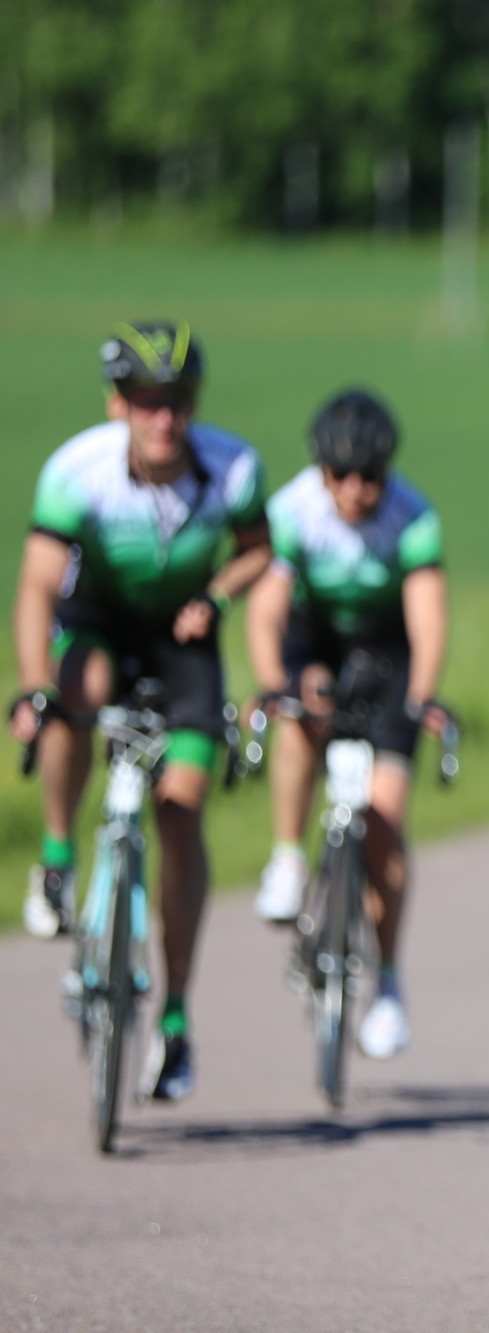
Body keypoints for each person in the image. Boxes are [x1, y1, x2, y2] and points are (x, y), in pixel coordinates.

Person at [9, 321, 270, 1102]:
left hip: (183, 640)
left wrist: (216, 594)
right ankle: (57, 859)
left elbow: (257, 549)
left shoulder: (232, 467)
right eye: (148, 400)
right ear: (117, 402)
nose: (166, 417)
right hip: (98, 623)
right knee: (73, 695)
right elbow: (36, 587)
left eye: (179, 400)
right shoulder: (77, 472)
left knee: (181, 814)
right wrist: (33, 684)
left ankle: (177, 1016)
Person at [246, 389, 449, 1061]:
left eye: (370, 476)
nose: (356, 490)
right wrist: (271, 680)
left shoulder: (413, 517)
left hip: (387, 656)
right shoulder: (292, 511)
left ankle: (387, 982)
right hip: (317, 644)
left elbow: (427, 619)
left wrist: (420, 696)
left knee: (385, 821)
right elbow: (267, 611)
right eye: (341, 475)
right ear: (321, 470)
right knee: (298, 713)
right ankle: (286, 856)